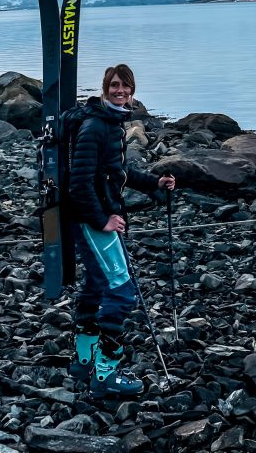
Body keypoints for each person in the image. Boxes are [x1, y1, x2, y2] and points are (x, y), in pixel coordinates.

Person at [66, 63, 176, 397]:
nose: (121, 91)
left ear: (132, 90)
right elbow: (79, 183)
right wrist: (103, 220)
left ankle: (84, 359)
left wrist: (154, 181)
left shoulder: (112, 123)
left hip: (93, 216)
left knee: (98, 283)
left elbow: (118, 170)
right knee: (122, 289)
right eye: (115, 85)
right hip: (91, 219)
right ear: (105, 88)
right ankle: (105, 373)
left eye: (126, 87)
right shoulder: (95, 126)